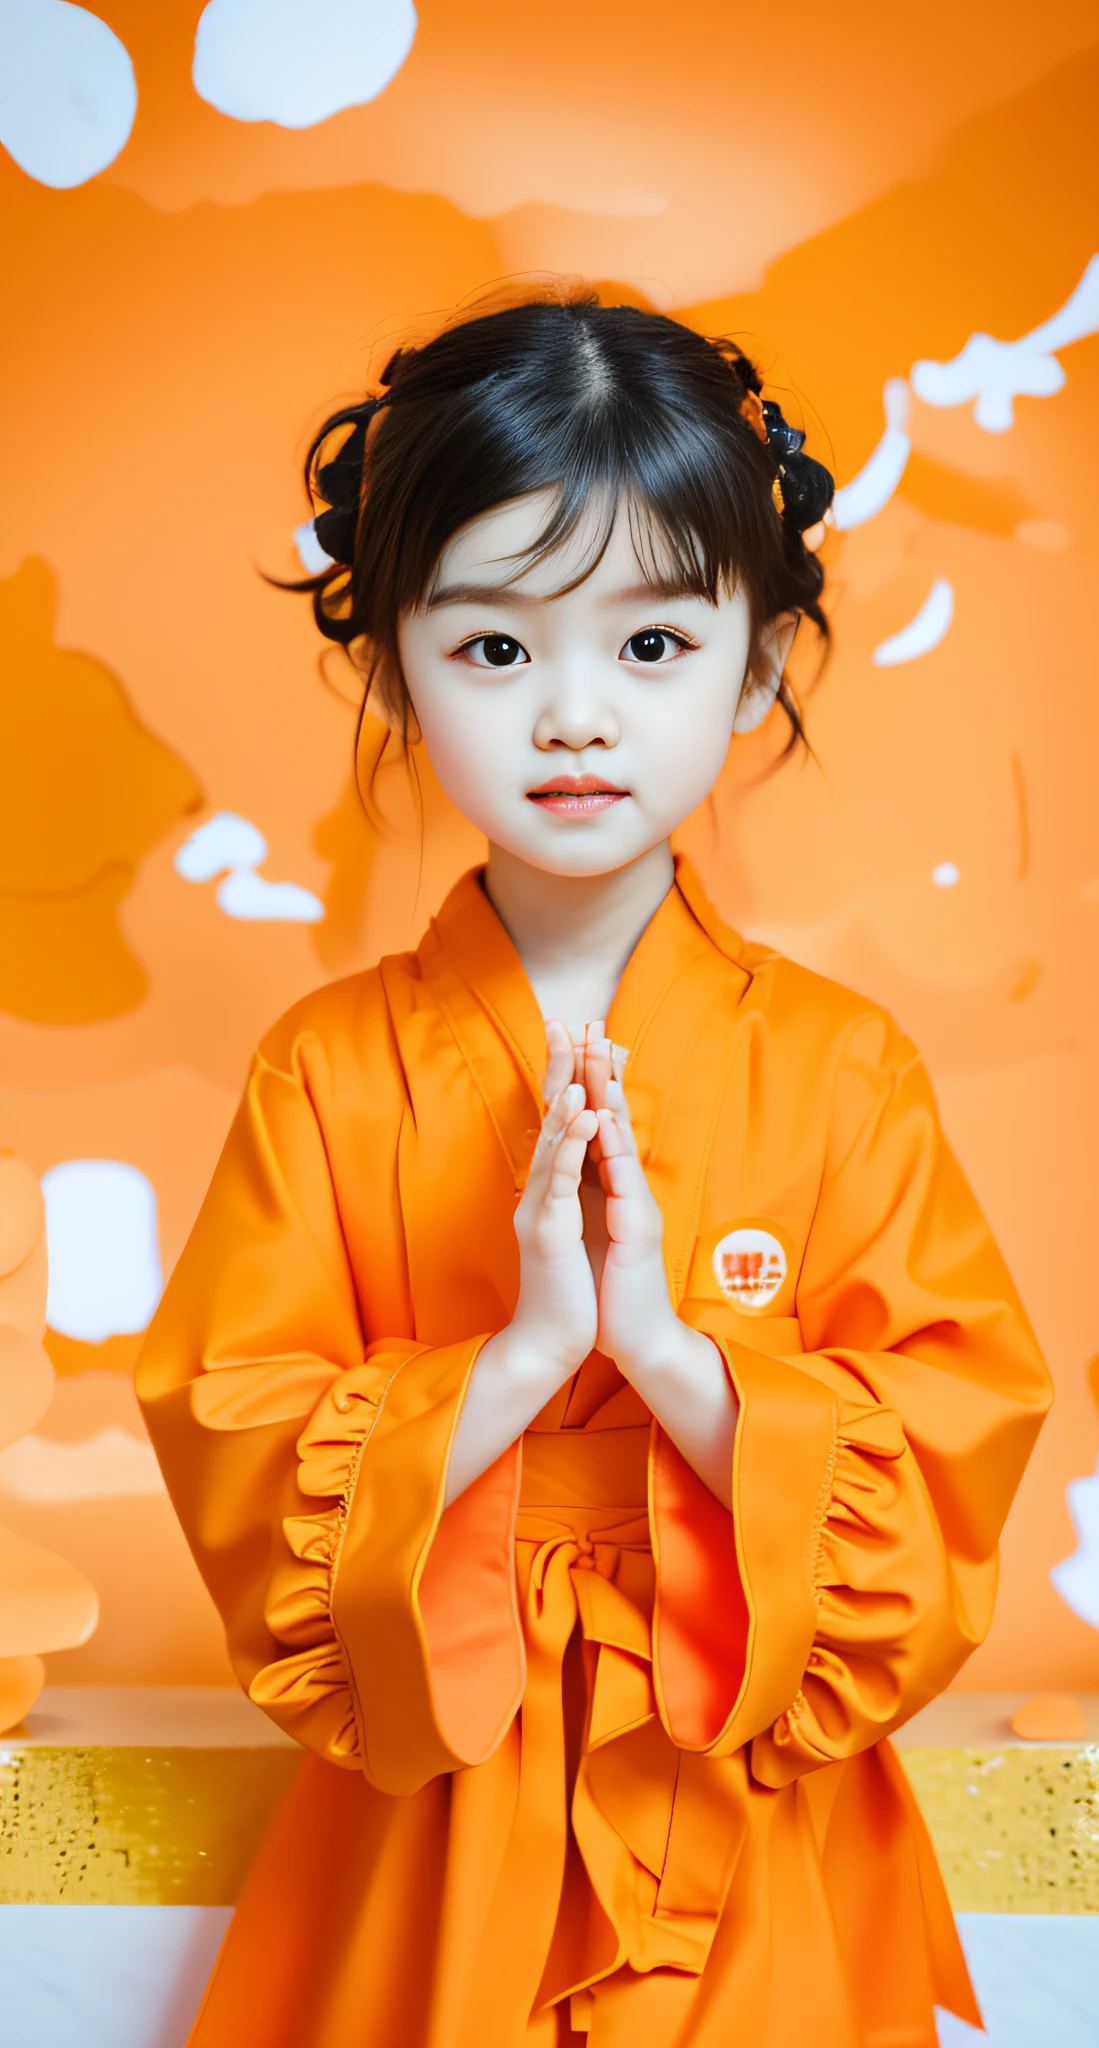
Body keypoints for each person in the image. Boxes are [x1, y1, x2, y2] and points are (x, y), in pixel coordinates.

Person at [136, 286, 1052, 2048]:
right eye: (494, 648)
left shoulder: (846, 1070)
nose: (573, 715)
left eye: (651, 646)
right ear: (387, 654)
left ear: (760, 659)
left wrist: (676, 1362)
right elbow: (237, 1437)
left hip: (747, 1782)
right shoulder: (326, 1071)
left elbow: (944, 1461)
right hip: (435, 1808)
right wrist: (524, 1363)